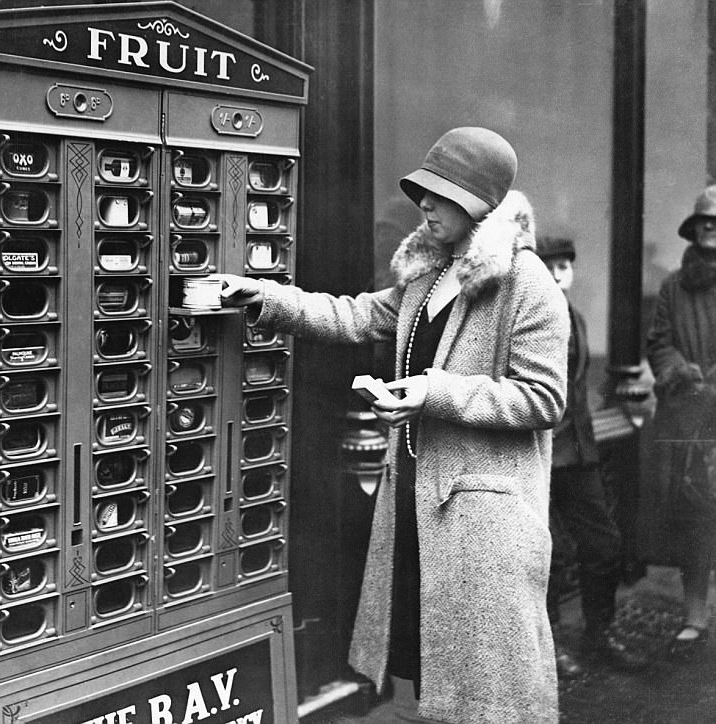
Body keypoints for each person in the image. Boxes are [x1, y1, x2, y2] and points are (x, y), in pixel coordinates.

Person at [221, 127, 568, 723]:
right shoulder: (430, 274)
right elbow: (355, 315)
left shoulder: (526, 282)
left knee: (489, 692)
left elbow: (543, 399)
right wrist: (264, 298)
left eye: (437, 194)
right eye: (421, 193)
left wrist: (433, 394)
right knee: (422, 668)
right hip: (417, 500)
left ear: (477, 201)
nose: (423, 206)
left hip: (485, 521)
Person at [535, 236, 647, 676]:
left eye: (566, 264)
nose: (560, 272)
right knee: (544, 555)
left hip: (579, 453)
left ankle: (599, 634)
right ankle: (548, 648)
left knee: (604, 544)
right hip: (541, 453)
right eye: (550, 264)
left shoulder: (575, 317)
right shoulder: (530, 318)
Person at [646, 184, 716, 658]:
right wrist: (677, 369)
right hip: (690, 417)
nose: (710, 229)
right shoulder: (674, 286)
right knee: (696, 517)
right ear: (693, 231)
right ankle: (695, 613)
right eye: (704, 223)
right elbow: (658, 341)